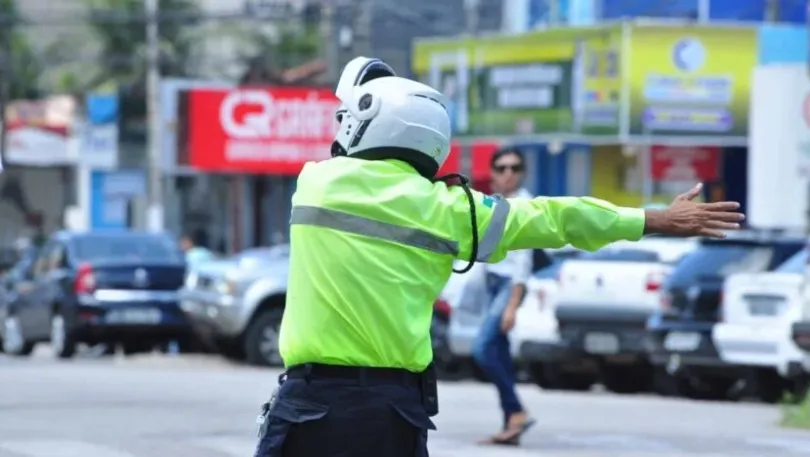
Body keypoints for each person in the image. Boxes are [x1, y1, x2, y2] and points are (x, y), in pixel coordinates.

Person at [252, 56, 744, 457]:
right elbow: (554, 217)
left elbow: (344, 147)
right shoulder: (454, 211)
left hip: (311, 406)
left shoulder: (316, 184)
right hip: (394, 413)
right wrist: (654, 219)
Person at [472, 147, 535, 445]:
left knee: (482, 349)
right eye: (502, 168)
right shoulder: (494, 203)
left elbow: (523, 262)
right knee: (500, 353)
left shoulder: (524, 205)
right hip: (494, 284)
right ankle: (511, 420)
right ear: (494, 173)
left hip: (510, 285)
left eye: (514, 167)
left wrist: (512, 305)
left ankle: (517, 410)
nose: (508, 173)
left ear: (522, 172)